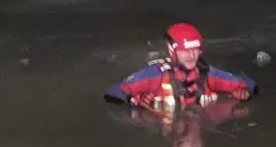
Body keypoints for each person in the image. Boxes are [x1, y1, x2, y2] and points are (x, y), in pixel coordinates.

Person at [104, 22, 256, 109]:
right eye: (185, 51)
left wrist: (244, 93)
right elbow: (113, 91)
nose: (192, 56)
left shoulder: (208, 74)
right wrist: (132, 100)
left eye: (195, 50)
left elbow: (248, 82)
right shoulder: (154, 75)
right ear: (172, 51)